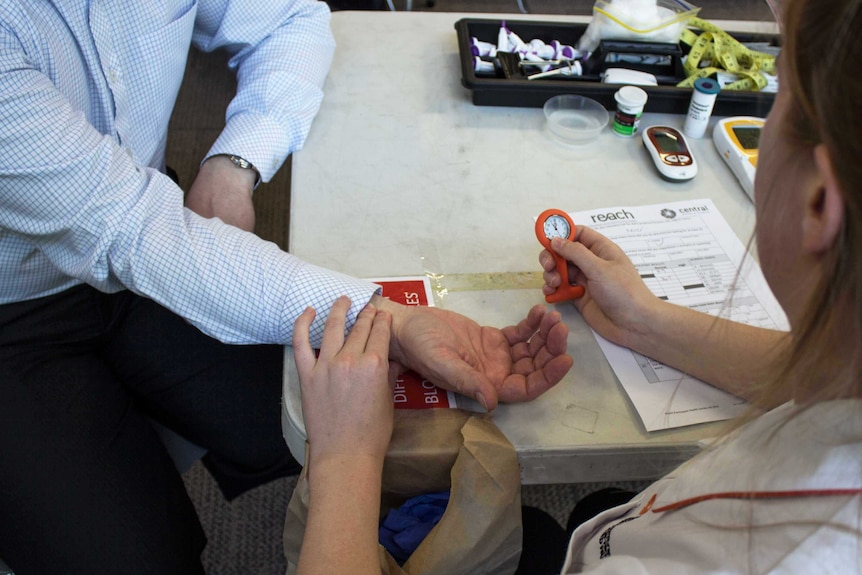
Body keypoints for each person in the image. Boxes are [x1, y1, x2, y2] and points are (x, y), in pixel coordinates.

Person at [0, 1, 572, 573]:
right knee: (135, 558)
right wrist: (386, 321)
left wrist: (234, 160)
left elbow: (294, 17)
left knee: (309, 421)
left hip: (153, 218)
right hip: (22, 306)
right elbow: (132, 230)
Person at [291, 0, 862, 572]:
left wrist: (345, 460)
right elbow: (826, 370)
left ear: (819, 203)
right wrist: (647, 320)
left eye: (778, 102)